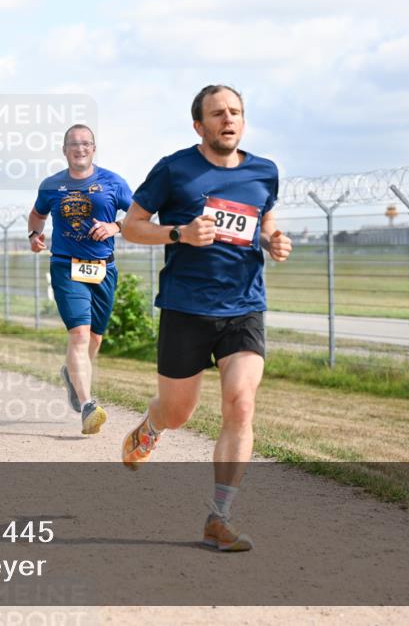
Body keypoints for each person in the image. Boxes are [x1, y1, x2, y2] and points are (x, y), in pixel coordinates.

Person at [120, 85, 292, 552]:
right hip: (185, 309)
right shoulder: (175, 169)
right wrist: (179, 232)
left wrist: (274, 240)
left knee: (241, 403)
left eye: (235, 112)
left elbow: (265, 219)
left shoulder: (264, 171)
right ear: (199, 125)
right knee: (178, 412)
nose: (228, 119)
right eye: (218, 114)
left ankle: (220, 516)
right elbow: (131, 225)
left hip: (243, 309)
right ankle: (152, 426)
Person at [26, 124, 132, 435]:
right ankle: (88, 405)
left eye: (86, 143)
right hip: (65, 266)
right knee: (80, 335)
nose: (80, 148)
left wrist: (115, 227)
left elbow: (139, 214)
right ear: (64, 150)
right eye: (74, 144)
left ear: (94, 148)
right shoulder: (51, 186)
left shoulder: (113, 182)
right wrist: (34, 234)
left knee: (95, 338)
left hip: (104, 268)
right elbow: (36, 215)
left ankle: (72, 375)